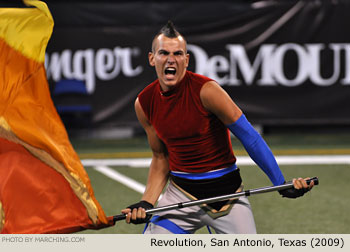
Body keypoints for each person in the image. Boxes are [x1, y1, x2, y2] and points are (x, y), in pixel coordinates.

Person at [121, 21, 314, 234]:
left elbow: (250, 137)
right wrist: (147, 202)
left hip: (226, 196)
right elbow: (160, 157)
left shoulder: (207, 91)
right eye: (163, 53)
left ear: (186, 60)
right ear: (152, 58)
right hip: (181, 194)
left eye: (178, 54)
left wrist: (280, 183)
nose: (171, 59)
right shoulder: (144, 103)